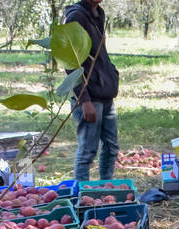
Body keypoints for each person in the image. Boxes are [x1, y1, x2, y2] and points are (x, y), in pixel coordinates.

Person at [64, 0, 120, 182]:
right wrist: (84, 99)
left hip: (105, 93)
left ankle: (106, 187)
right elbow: (71, 63)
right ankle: (82, 196)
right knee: (88, 151)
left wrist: (112, 74)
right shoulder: (76, 17)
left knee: (111, 147)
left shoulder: (98, 13)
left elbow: (100, 53)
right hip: (90, 97)